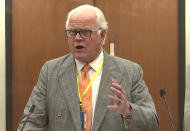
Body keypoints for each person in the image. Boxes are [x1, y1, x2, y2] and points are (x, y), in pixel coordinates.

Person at [18, 4, 159, 131]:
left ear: (102, 35)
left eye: (85, 32)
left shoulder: (130, 71)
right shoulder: (51, 71)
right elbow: (31, 122)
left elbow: (152, 121)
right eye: (72, 32)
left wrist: (128, 110)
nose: (77, 38)